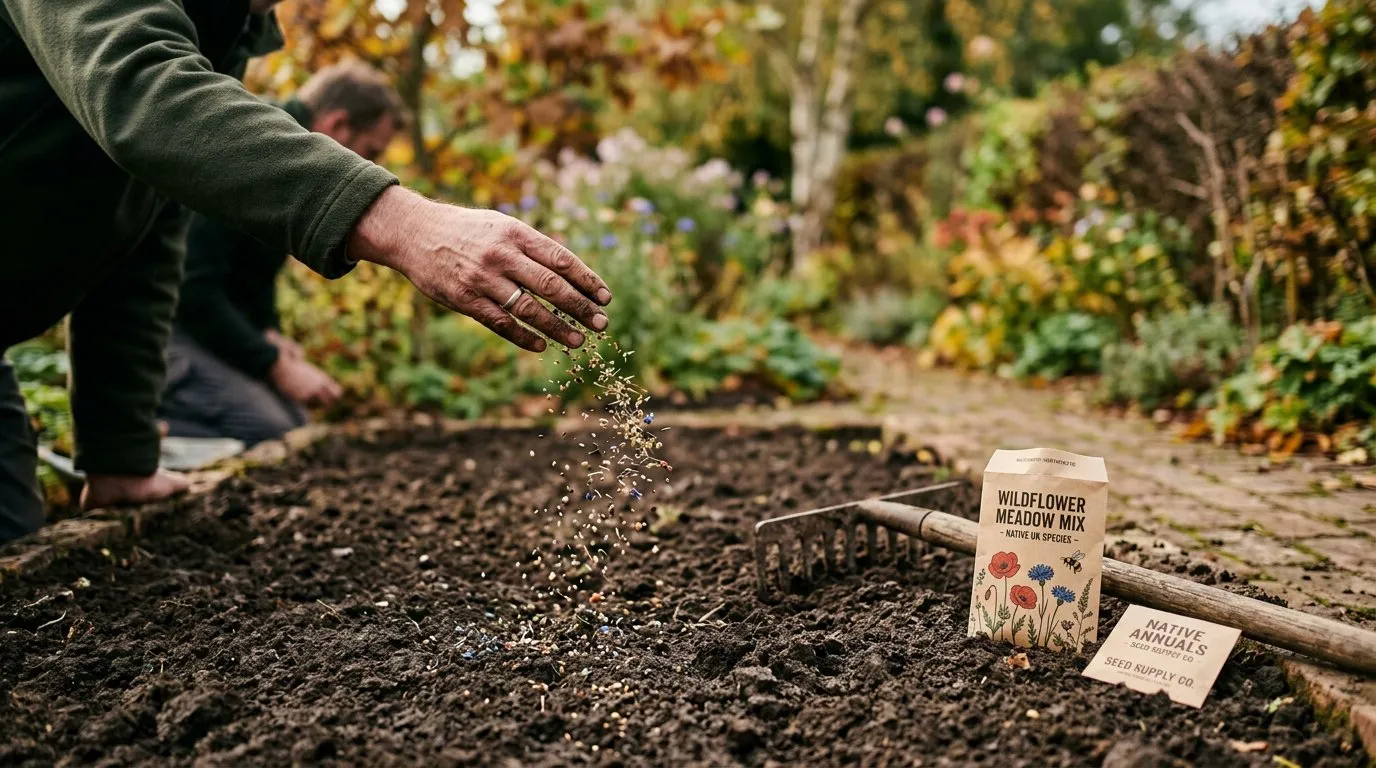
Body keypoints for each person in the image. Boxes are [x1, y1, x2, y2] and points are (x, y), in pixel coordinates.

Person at [0, 1, 612, 544]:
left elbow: (142, 237)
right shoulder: (160, 47)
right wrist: (406, 222)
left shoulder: (215, 31)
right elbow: (137, 91)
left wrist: (120, 456)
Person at [160, 62, 404, 447]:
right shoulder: (249, 148)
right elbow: (192, 288)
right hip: (160, 328)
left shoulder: (292, 170)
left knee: (297, 423)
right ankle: (150, 434)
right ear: (339, 125)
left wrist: (270, 338)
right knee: (270, 432)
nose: (372, 169)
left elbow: (251, 275)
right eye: (371, 152)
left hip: (201, 326)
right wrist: (272, 364)